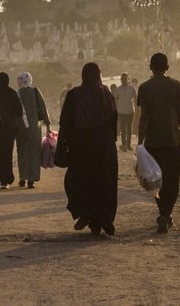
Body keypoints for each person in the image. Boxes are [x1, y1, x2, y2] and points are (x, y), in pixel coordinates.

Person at [138, 53, 180, 233]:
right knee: (172, 180)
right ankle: (166, 214)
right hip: (172, 141)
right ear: (167, 67)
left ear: (150, 67)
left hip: (152, 143)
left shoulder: (144, 88)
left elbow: (143, 119)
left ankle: (163, 213)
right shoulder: (175, 85)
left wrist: (140, 143)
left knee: (157, 179)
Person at [59, 62, 118, 236]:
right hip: (104, 147)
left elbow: (65, 122)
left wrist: (64, 143)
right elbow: (114, 120)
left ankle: (86, 213)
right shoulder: (106, 94)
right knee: (104, 183)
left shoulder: (74, 95)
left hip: (81, 147)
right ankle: (104, 219)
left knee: (80, 181)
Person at [0, 72, 24, 189]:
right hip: (8, 129)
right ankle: (5, 180)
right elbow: (19, 111)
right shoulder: (12, 93)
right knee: (7, 154)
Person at [16, 71, 51, 189]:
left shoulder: (17, 93)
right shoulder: (35, 92)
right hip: (34, 128)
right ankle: (31, 179)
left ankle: (22, 178)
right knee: (34, 152)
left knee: (22, 152)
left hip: (20, 128)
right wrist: (48, 126)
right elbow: (43, 108)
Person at [114, 73, 137, 151]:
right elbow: (116, 100)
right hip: (121, 111)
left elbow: (136, 98)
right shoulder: (117, 89)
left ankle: (128, 145)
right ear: (121, 79)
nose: (124, 80)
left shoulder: (132, 89)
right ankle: (124, 145)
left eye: (125, 78)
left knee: (129, 129)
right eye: (122, 79)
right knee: (123, 129)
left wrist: (137, 109)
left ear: (128, 79)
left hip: (130, 111)